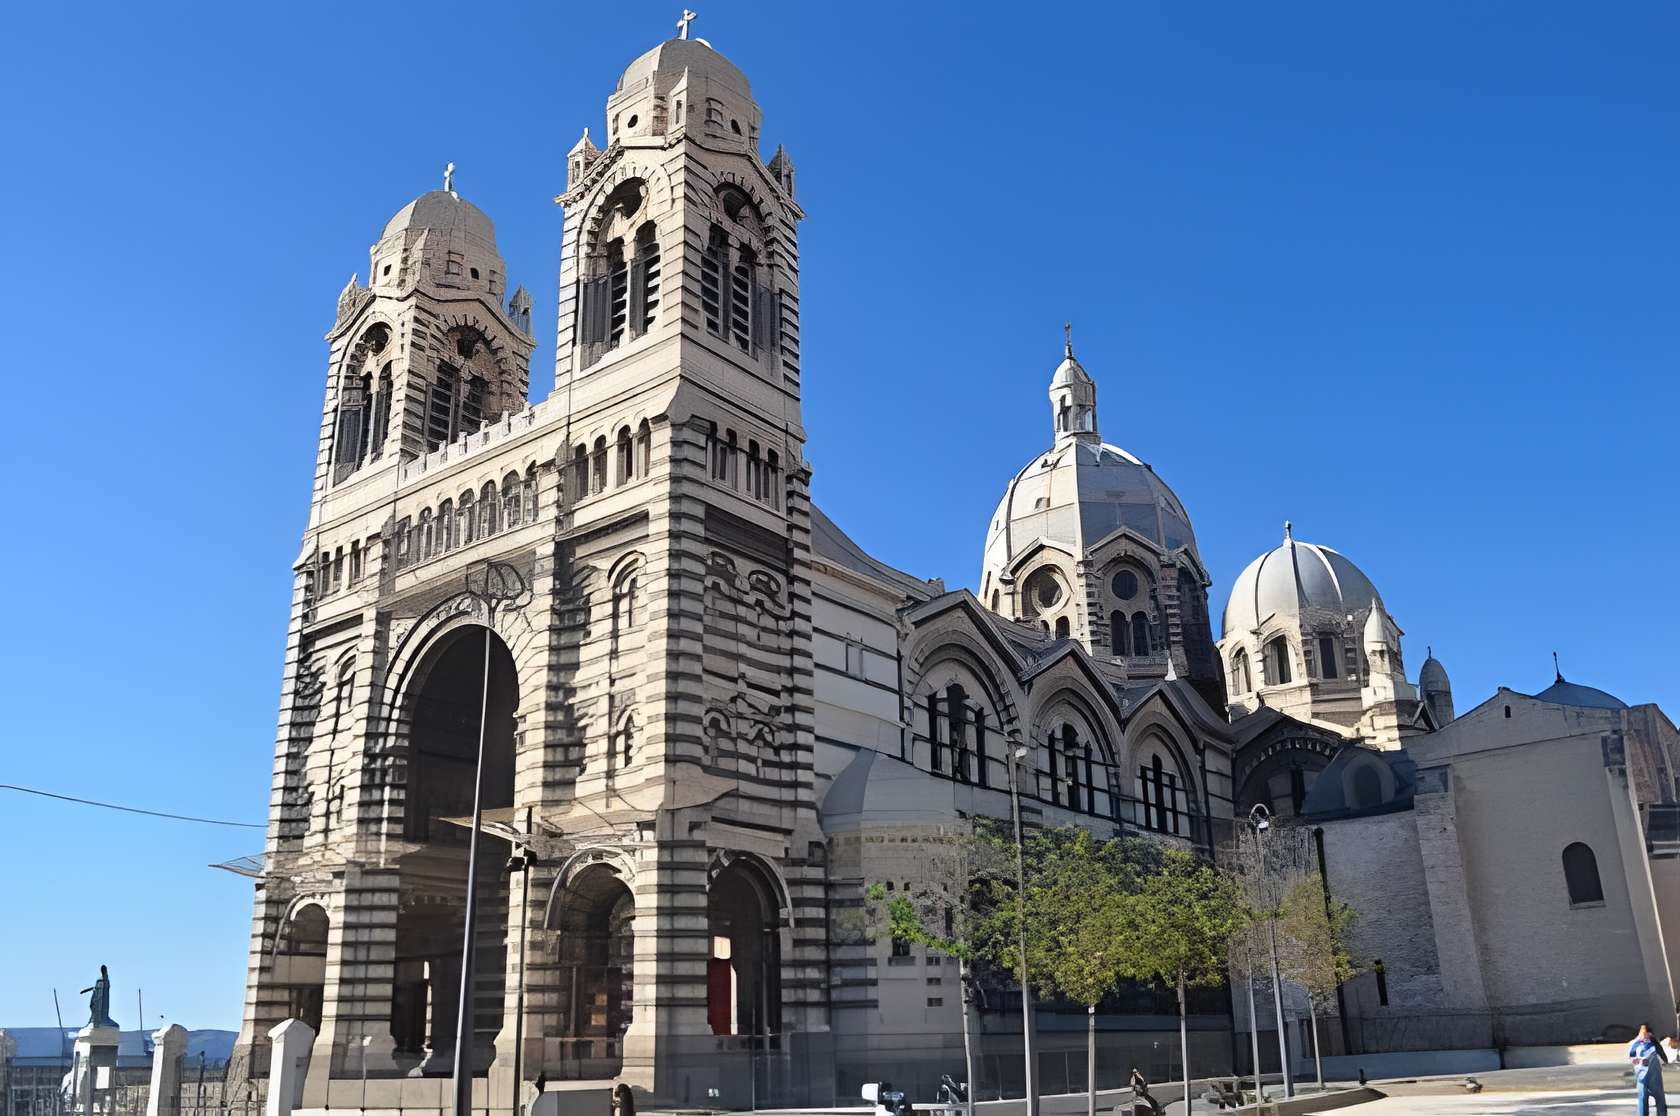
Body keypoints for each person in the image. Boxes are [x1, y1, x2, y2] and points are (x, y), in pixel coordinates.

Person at [1630, 1024, 1668, 1114]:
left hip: (1643, 1078)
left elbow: (1631, 1059)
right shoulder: (1653, 1043)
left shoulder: (1634, 1043)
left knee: (1643, 1100)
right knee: (1660, 1101)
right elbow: (1664, 1059)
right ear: (1650, 1033)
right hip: (1653, 1078)